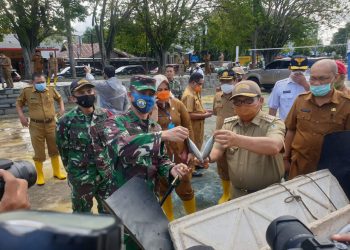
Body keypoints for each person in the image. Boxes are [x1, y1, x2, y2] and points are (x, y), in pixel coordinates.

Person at [113, 75, 191, 206]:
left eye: (151, 94)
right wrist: (162, 135)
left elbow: (160, 159)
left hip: (150, 196)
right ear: (130, 95)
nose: (147, 98)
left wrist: (172, 169)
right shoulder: (116, 122)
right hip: (125, 198)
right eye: (143, 93)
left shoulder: (155, 127)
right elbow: (122, 147)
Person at [208, 80, 285, 199]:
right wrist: (207, 159)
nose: (242, 105)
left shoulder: (273, 123)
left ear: (260, 101)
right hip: (237, 194)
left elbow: (274, 146)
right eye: (237, 102)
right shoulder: (229, 124)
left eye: (249, 100)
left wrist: (236, 140)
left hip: (269, 194)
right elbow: (218, 148)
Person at [56, 79, 118, 213]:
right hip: (81, 179)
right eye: (81, 92)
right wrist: (75, 173)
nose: (87, 94)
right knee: (82, 215)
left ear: (94, 92)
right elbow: (63, 151)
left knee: (109, 213)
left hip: (105, 176)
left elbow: (114, 143)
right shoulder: (65, 122)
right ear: (73, 98)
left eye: (89, 91)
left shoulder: (107, 116)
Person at [284, 59, 350, 179]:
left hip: (331, 171)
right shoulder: (300, 100)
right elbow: (291, 130)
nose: (317, 83)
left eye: (322, 78)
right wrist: (285, 158)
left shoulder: (346, 104)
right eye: (313, 78)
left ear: (335, 78)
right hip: (299, 166)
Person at [153, 74, 196, 221]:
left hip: (180, 154)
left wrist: (191, 151)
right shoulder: (150, 109)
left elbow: (188, 127)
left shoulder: (177, 104)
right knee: (162, 187)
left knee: (185, 187)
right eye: (159, 89)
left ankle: (192, 218)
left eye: (166, 88)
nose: (163, 91)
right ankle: (169, 219)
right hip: (160, 156)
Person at [16, 73, 66, 186]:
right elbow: (19, 104)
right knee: (38, 151)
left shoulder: (51, 89)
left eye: (42, 82)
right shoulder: (27, 91)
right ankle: (40, 175)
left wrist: (62, 109)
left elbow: (60, 98)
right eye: (38, 83)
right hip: (35, 126)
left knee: (54, 148)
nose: (41, 84)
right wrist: (21, 116)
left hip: (51, 124)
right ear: (33, 83)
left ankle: (57, 172)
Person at [212, 70, 237, 204]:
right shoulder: (217, 96)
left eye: (228, 81)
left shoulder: (239, 96)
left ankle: (236, 191)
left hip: (236, 137)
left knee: (237, 164)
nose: (225, 84)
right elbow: (217, 113)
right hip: (220, 137)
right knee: (222, 165)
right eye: (223, 81)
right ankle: (226, 192)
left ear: (235, 81)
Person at [181, 73, 212, 176]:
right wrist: (205, 116)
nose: (201, 86)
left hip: (198, 127)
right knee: (192, 148)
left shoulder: (194, 91)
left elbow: (197, 109)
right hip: (192, 127)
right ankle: (191, 169)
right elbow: (188, 115)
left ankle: (196, 163)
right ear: (193, 82)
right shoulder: (188, 95)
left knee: (197, 146)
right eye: (200, 84)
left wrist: (204, 111)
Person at [268, 56, 310, 120]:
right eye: (295, 69)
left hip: (306, 126)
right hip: (285, 126)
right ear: (290, 68)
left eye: (302, 70)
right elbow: (273, 108)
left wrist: (305, 84)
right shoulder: (280, 84)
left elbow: (319, 99)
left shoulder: (312, 84)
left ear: (306, 69)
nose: (298, 72)